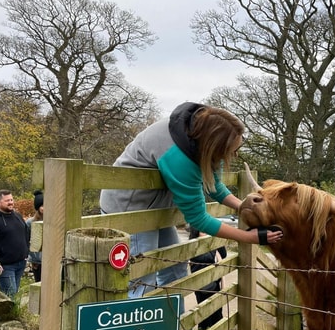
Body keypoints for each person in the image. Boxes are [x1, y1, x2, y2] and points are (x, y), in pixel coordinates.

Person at [99, 102, 282, 299]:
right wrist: (247, 237)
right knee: (142, 280)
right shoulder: (180, 158)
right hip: (130, 209)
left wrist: (243, 207)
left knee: (174, 269)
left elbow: (214, 186)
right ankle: (139, 329)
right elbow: (199, 219)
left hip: (156, 209)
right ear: (214, 145)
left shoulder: (198, 139)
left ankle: (173, 328)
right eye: (230, 150)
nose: (234, 155)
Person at [0, 190, 30, 297]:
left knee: (15, 293)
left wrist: (26, 252)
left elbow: (26, 234)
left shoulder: (17, 216)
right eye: (7, 200)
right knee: (9, 295)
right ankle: (7, 314)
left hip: (21, 263)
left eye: (12, 199)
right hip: (5, 266)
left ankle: (12, 313)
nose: (11, 202)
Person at [189, 226, 226, 330]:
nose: (205, 232)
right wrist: (215, 255)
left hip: (214, 281)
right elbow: (203, 259)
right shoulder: (194, 245)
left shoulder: (212, 244)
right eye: (202, 230)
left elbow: (223, 255)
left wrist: (216, 239)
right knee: (205, 310)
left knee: (217, 309)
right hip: (202, 284)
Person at [26, 190, 44, 283]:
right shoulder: (30, 222)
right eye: (42, 206)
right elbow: (27, 240)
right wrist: (33, 258)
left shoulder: (53, 221)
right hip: (38, 260)